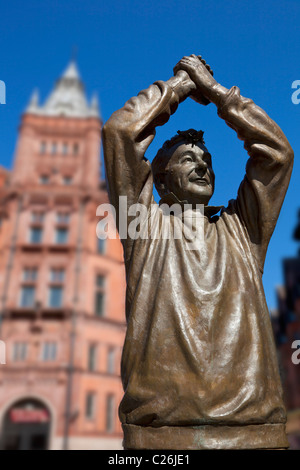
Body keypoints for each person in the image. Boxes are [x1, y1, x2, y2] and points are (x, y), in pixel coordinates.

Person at [102, 55, 294, 449]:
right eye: (188, 158)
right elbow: (120, 133)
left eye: (207, 160)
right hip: (160, 440)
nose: (203, 165)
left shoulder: (243, 228)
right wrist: (178, 89)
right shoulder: (142, 226)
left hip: (257, 434)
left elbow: (277, 155)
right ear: (160, 178)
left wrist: (217, 93)